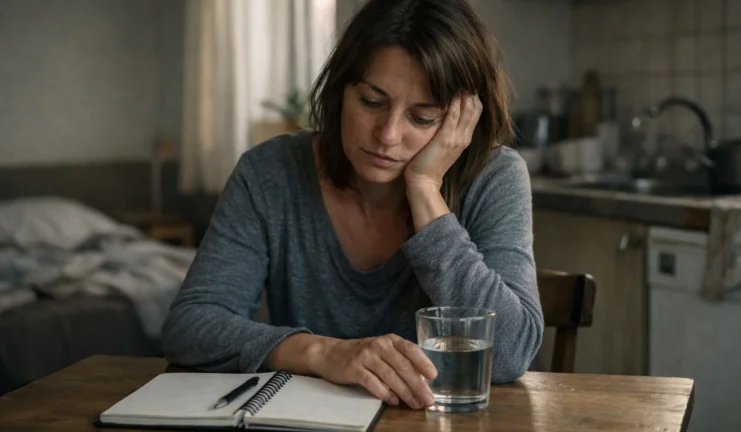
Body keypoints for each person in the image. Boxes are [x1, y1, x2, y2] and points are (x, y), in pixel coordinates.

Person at [162, 0, 543, 411]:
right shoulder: (269, 172)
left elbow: (507, 354)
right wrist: (323, 353)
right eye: (372, 102)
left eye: (422, 117)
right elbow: (190, 325)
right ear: (340, 89)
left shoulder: (494, 177)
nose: (388, 135)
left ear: (460, 121)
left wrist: (425, 189)